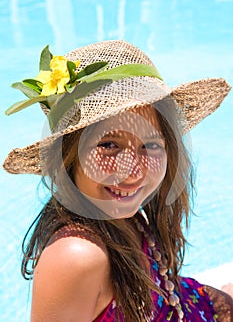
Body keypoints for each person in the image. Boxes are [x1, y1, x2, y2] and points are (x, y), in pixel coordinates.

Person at [3, 40, 233, 321]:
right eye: (109, 145)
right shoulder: (77, 257)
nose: (132, 171)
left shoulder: (124, 216)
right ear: (68, 157)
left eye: (150, 145)